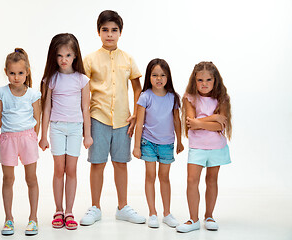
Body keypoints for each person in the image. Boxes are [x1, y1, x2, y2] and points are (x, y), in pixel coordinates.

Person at [80, 10, 146, 226]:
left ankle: (122, 207)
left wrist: (136, 114)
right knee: (97, 163)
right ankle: (95, 207)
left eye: (114, 30)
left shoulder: (127, 59)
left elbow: (138, 89)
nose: (110, 34)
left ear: (120, 32)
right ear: (98, 32)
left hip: (122, 121)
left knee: (121, 163)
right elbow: (83, 91)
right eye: (105, 30)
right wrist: (85, 122)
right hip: (98, 118)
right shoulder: (89, 60)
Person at [39, 33, 93, 230]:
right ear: (54, 56)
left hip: (76, 128)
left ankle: (69, 211)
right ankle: (58, 210)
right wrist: (43, 136)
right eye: (60, 55)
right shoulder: (51, 79)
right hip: (57, 127)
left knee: (71, 169)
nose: (64, 60)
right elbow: (46, 108)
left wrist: (87, 134)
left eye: (68, 55)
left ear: (75, 56)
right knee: (58, 168)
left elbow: (86, 108)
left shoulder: (82, 80)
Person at [176, 61, 232, 233]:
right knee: (192, 180)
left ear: (215, 80)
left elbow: (220, 126)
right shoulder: (189, 97)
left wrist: (200, 122)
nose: (204, 84)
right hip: (198, 147)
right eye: (200, 80)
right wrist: (213, 118)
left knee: (211, 180)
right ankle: (193, 219)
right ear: (194, 80)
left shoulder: (222, 98)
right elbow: (191, 124)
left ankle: (209, 216)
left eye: (208, 80)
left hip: (217, 147)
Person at [0, 48, 41, 236]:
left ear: (27, 72)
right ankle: (8, 218)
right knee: (8, 179)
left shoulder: (33, 94)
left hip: (28, 139)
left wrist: (30, 137)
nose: (16, 77)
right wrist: (11, 133)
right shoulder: (0, 93)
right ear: (6, 72)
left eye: (20, 73)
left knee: (31, 179)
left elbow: (37, 118)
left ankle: (33, 218)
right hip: (8, 140)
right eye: (12, 73)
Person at [133, 59, 184, 228]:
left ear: (168, 77)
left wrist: (179, 141)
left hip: (167, 144)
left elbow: (177, 121)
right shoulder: (145, 96)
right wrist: (136, 146)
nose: (159, 78)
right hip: (148, 142)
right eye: (155, 75)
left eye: (162, 75)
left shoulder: (173, 98)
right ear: (149, 77)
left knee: (164, 177)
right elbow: (139, 123)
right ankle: (152, 212)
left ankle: (167, 213)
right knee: (150, 176)